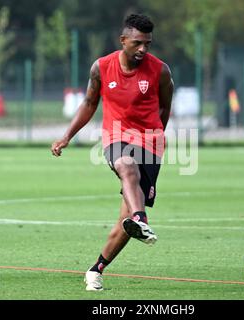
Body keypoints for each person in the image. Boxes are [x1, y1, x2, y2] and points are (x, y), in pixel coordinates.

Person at [51, 13, 174, 291]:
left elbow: (165, 107)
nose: (143, 49)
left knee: (123, 223)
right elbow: (89, 102)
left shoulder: (160, 71)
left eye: (148, 44)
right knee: (126, 165)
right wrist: (67, 136)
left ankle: (96, 269)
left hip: (151, 145)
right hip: (117, 137)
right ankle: (141, 219)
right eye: (137, 43)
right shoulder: (102, 67)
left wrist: (156, 135)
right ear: (123, 41)